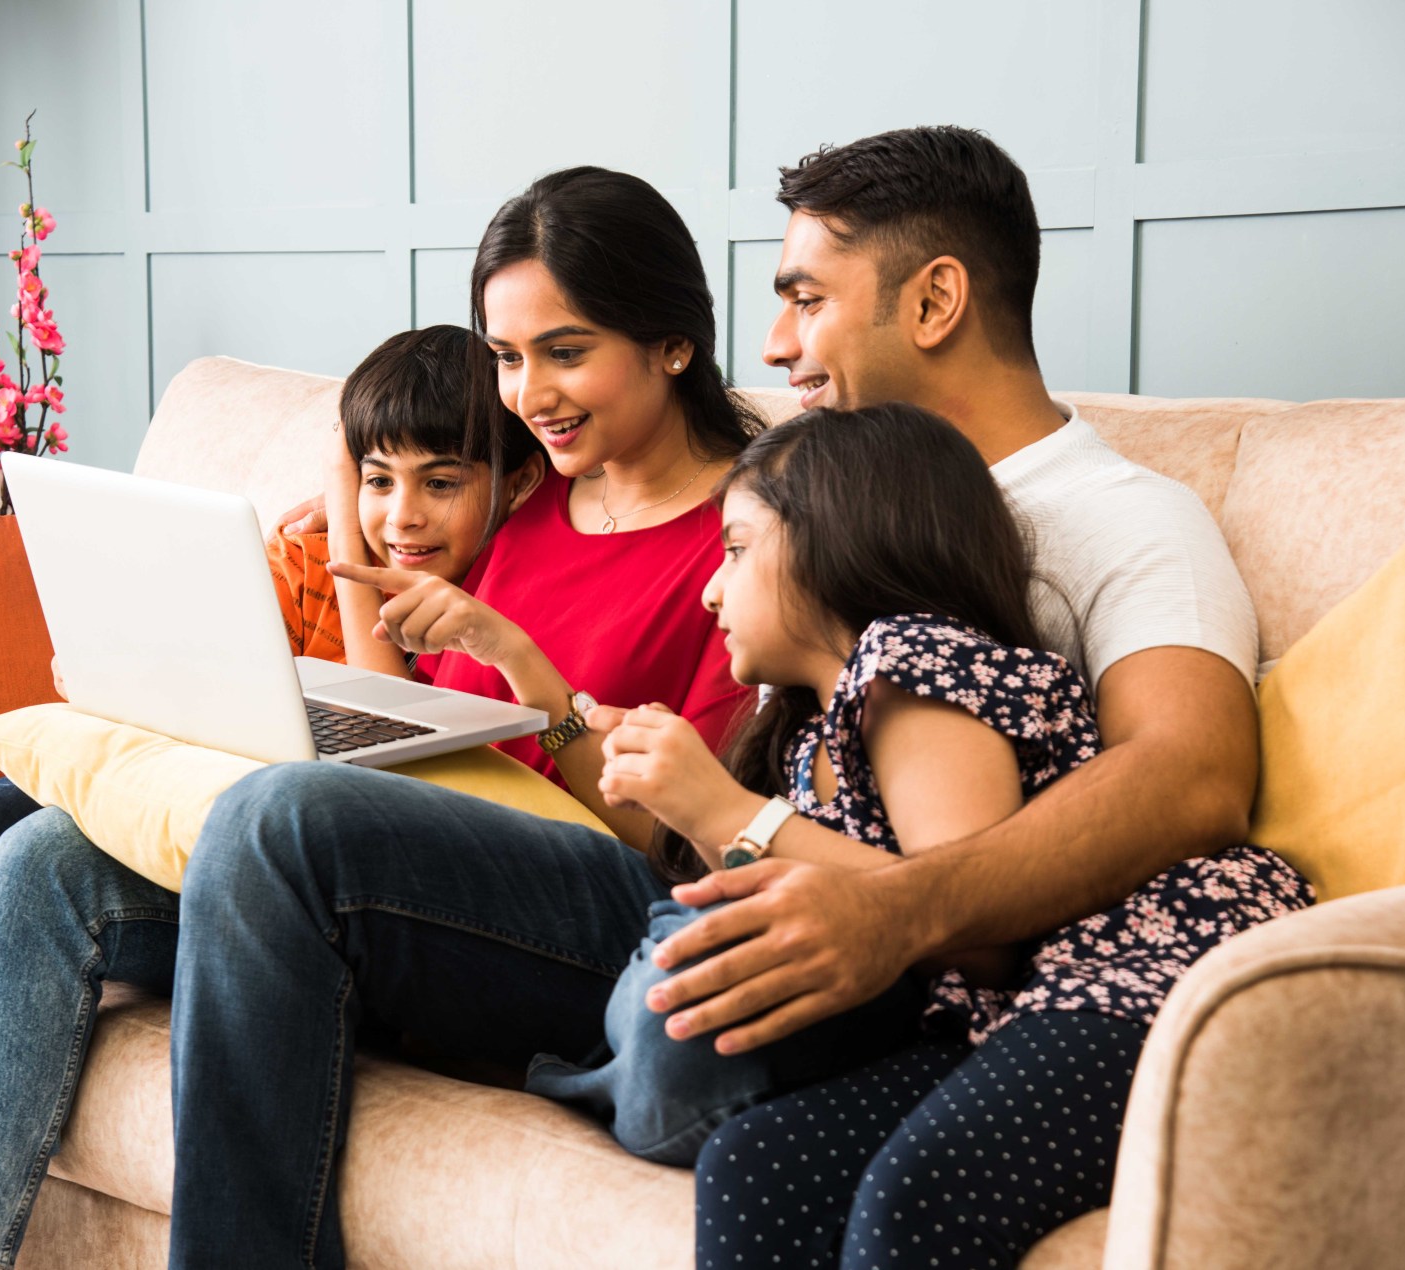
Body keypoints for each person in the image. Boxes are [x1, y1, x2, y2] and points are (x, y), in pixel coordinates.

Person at [162, 126, 1310, 1268]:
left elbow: (1191, 773)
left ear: (935, 300)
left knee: (301, 834)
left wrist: (890, 901)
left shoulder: (1118, 520)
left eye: (805, 299)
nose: (772, 345)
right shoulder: (800, 494)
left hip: (988, 961)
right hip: (811, 918)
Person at [0, 166, 760, 1270]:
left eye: (564, 350)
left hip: (601, 901)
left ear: (673, 341)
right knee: (40, 855)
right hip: (412, 866)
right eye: (506, 355)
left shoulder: (749, 527)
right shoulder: (528, 481)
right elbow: (399, 681)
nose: (527, 389)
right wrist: (348, 487)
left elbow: (672, 841)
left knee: (279, 812)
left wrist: (529, 672)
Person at [0, 322, 545, 1270]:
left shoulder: (491, 605)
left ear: (512, 480)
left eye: (440, 483)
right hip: (207, 817)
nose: (403, 516)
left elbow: (400, 737)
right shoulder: (323, 571)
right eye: (379, 479)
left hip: (300, 889)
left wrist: (347, 500)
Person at [529, 405, 1308, 1270]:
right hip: (1013, 1010)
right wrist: (693, 807)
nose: (713, 587)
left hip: (1148, 977)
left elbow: (979, 940)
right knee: (756, 1166)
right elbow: (807, 892)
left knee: (918, 1203)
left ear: (838, 543)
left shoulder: (915, 663)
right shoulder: (809, 735)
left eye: (738, 549)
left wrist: (728, 812)